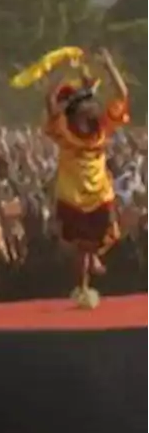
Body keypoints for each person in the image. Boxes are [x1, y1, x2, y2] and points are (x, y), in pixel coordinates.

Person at [42, 48, 130, 305]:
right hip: (73, 194)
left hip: (100, 191)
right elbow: (49, 98)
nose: (89, 112)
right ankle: (82, 290)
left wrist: (109, 65)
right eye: (83, 108)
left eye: (91, 107)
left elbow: (122, 95)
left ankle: (93, 259)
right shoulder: (62, 129)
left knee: (104, 237)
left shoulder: (103, 127)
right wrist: (63, 70)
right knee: (81, 248)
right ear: (75, 112)